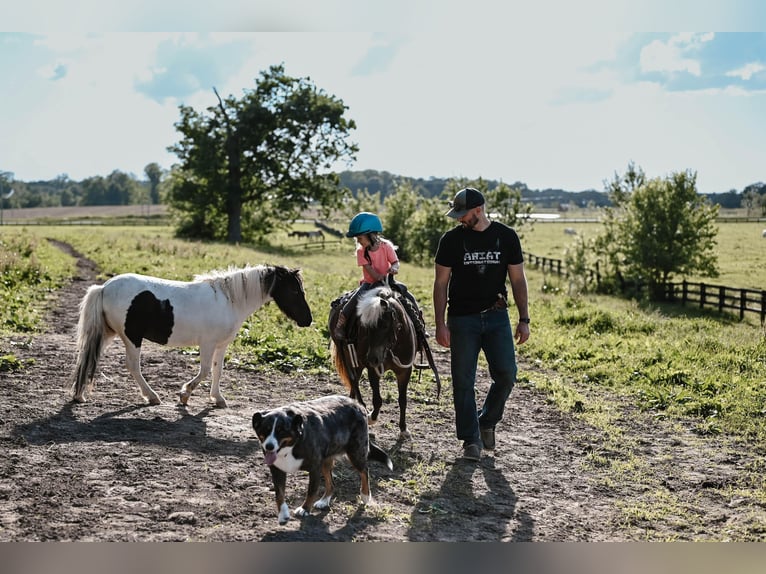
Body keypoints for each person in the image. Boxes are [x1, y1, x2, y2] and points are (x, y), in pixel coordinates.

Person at [433, 188, 530, 462]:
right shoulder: (451, 241)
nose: (459, 219)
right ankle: (470, 441)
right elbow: (441, 284)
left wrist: (524, 319)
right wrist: (440, 324)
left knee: (507, 373)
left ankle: (486, 421)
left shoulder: (506, 237)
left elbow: (518, 280)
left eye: (464, 214)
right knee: (463, 381)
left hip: (497, 316)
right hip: (462, 319)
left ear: (479, 210)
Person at [333, 212, 419, 342]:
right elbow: (368, 269)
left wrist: (394, 268)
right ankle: (341, 324)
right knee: (352, 301)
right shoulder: (361, 251)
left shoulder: (386, 247)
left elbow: (395, 262)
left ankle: (419, 326)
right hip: (369, 283)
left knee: (409, 297)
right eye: (357, 239)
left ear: (371, 234)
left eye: (360, 238)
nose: (358, 242)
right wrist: (378, 277)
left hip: (388, 282)